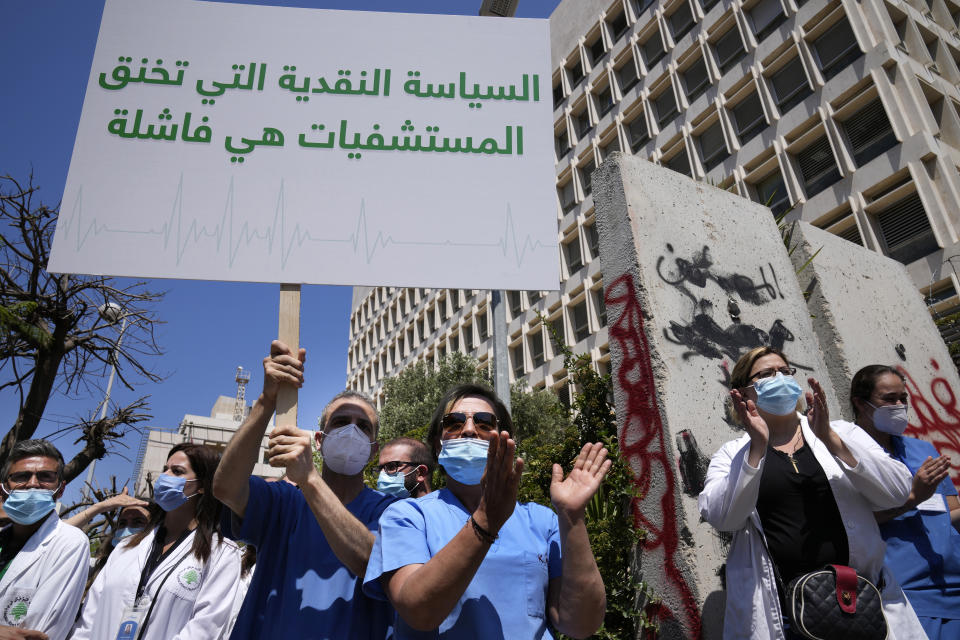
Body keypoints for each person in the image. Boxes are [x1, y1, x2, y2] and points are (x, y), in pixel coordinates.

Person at [698, 346, 926, 639]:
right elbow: (723, 518)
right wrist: (756, 448)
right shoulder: (732, 454)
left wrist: (831, 440)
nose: (779, 378)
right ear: (744, 393)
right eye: (766, 374)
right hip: (786, 616)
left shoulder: (842, 432)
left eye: (785, 371)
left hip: (861, 605)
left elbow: (897, 491)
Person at [364, 383, 610, 639]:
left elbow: (581, 625)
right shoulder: (407, 516)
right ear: (438, 447)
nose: (469, 430)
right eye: (454, 423)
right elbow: (418, 611)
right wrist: (486, 520)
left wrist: (572, 517)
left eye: (484, 423)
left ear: (505, 441)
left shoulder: (542, 521)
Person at [212, 339, 396, 640]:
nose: (351, 430)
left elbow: (372, 561)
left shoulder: (390, 510)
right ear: (320, 440)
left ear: (374, 451)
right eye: (341, 422)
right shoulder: (284, 502)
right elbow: (225, 488)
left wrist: (309, 478)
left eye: (363, 426)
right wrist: (266, 400)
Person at [72, 443, 241, 639]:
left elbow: (205, 628)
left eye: (177, 471)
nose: (165, 477)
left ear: (202, 485)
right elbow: (89, 618)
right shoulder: (127, 546)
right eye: (165, 469)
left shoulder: (221, 554)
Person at [847, 364, 960, 639]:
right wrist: (912, 499)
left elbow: (951, 511)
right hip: (904, 593)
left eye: (902, 399)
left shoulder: (921, 449)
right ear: (861, 404)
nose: (898, 405)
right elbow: (851, 521)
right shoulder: (848, 455)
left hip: (952, 586)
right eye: (889, 399)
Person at [0, 439, 89, 640]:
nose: (32, 484)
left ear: (61, 489)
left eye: (45, 476)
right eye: (21, 476)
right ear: (3, 489)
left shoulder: (70, 543)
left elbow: (40, 633)